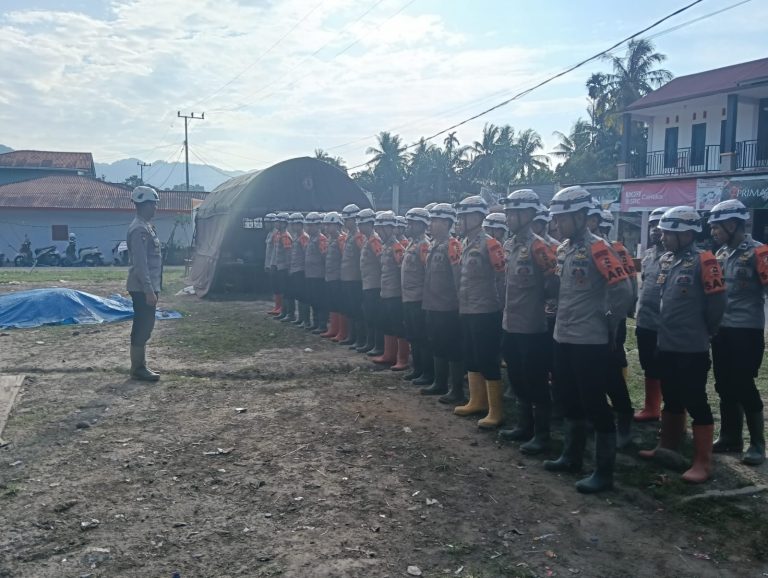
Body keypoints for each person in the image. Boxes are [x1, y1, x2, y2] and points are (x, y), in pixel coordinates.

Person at [543, 186, 632, 494]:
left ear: (581, 216)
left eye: (562, 219)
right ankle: (571, 456)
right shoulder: (564, 249)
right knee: (567, 396)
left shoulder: (600, 248)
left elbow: (622, 291)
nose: (556, 225)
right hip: (563, 334)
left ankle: (603, 472)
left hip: (589, 339)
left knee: (595, 403)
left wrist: (608, 323)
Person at [639, 206, 726, 484]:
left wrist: (706, 330)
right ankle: (667, 447)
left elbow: (717, 306)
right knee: (672, 397)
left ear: (687, 234)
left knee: (696, 400)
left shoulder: (705, 261)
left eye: (669, 233)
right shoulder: (666, 260)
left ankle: (702, 462)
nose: (662, 237)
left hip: (692, 346)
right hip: (667, 343)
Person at [497, 190, 558, 454]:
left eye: (514, 213)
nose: (509, 218)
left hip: (533, 325)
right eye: (508, 213)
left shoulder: (538, 246)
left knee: (535, 379)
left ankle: (542, 434)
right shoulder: (510, 245)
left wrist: (544, 307)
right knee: (517, 375)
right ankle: (524, 425)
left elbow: (553, 282)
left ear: (528, 215)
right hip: (511, 321)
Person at [709, 199, 767, 465]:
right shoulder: (719, 254)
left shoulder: (759, 253)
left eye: (717, 227)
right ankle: (730, 437)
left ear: (732, 224)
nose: (713, 232)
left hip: (747, 331)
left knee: (744, 385)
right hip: (722, 331)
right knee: (723, 384)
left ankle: (757, 444)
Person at [453, 195, 506, 429]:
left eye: (464, 217)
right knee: (471, 355)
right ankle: (477, 401)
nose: (460, 221)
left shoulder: (490, 244)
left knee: (487, 358)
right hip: (467, 308)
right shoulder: (465, 243)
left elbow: (502, 277)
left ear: (477, 218)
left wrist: (500, 308)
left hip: (486, 310)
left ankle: (496, 410)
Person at [598, 209, 637, 448]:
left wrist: (619, 317)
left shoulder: (617, 251)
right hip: (588, 321)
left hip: (612, 319)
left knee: (612, 365)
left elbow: (628, 285)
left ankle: (623, 415)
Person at [421, 203, 465, 402]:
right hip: (432, 304)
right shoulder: (433, 245)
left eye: (435, 221)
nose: (431, 225)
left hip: (448, 306)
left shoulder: (453, 245)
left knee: (453, 348)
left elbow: (458, 278)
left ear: (447, 222)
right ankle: (439, 383)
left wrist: (459, 305)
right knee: (436, 343)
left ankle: (456, 390)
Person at [633, 206, 669, 422]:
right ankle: (651, 408)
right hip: (645, 321)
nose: (656, 231)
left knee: (669, 370)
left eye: (660, 227)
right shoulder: (647, 256)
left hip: (666, 325)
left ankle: (673, 413)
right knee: (649, 365)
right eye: (652, 226)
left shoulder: (678, 257)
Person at [126, 185, 163, 382]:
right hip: (141, 287)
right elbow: (141, 264)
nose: (155, 208)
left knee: (146, 325)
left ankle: (139, 365)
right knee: (143, 325)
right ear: (144, 205)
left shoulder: (146, 226)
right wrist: (149, 290)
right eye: (153, 204)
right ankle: (138, 367)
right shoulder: (139, 229)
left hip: (148, 286)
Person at [401, 208, 434, 386]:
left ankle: (427, 372)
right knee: (413, 336)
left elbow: (427, 273)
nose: (409, 226)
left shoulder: (424, 245)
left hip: (419, 298)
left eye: (412, 223)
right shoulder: (412, 243)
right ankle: (418, 369)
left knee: (422, 337)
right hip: (408, 296)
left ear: (421, 225)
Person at [373, 211, 410, 370]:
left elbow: (402, 271)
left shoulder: (397, 248)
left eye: (382, 229)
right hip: (385, 291)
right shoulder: (385, 246)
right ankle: (389, 354)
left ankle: (402, 358)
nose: (379, 232)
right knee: (386, 322)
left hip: (395, 293)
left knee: (398, 325)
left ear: (391, 228)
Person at [358, 208, 384, 355]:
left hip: (375, 285)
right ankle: (371, 342)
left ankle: (377, 345)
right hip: (368, 283)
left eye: (362, 224)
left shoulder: (374, 240)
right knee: (368, 314)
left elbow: (382, 262)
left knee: (374, 315)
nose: (360, 227)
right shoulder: (368, 240)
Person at [340, 204, 367, 349]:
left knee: (357, 309)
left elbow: (363, 257)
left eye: (347, 219)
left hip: (356, 279)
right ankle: (352, 336)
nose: (345, 222)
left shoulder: (359, 236)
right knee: (349, 308)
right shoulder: (349, 235)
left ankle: (359, 339)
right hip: (347, 278)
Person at [321, 212, 349, 342]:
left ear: (337, 225)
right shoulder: (330, 239)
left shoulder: (341, 239)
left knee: (339, 304)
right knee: (331, 302)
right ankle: (333, 328)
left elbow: (345, 258)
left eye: (329, 225)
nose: (326, 228)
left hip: (338, 277)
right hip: (330, 276)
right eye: (326, 225)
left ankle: (341, 331)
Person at [303, 212, 329, 334]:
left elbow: (325, 257)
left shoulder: (321, 239)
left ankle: (322, 324)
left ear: (318, 225)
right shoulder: (310, 239)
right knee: (313, 299)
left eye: (311, 225)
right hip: (310, 275)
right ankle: (315, 323)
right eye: (308, 225)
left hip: (319, 276)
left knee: (320, 300)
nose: (309, 228)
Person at [287, 213, 311, 328]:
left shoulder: (303, 237)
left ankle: (305, 320)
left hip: (301, 270)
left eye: (294, 224)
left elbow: (306, 254)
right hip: (296, 269)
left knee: (303, 296)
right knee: (299, 295)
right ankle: (301, 318)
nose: (291, 227)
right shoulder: (296, 237)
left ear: (299, 224)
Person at [274, 213, 294, 322]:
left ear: (283, 224)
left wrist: (288, 268)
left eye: (278, 222)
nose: (276, 223)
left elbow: (288, 254)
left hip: (285, 268)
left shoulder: (285, 236)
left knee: (287, 292)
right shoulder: (279, 234)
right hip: (280, 267)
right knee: (283, 290)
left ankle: (289, 314)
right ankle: (284, 312)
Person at [263, 213, 281, 316]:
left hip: (275, 264)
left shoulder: (276, 234)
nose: (266, 225)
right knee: (274, 286)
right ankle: (277, 306)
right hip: (269, 263)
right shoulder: (270, 234)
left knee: (278, 286)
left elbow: (275, 251)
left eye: (267, 222)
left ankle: (280, 306)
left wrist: (272, 264)